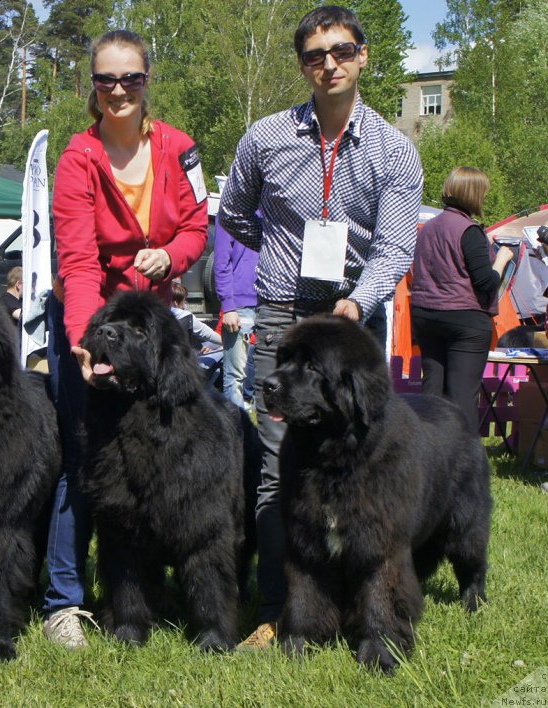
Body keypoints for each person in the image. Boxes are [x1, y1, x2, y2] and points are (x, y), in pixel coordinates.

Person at [217, 4, 424, 649]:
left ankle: (366, 594)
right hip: (283, 315)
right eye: (314, 55)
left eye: (340, 51)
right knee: (282, 467)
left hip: (352, 323)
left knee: (364, 463)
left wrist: (356, 300)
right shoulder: (266, 136)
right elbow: (234, 214)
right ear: (302, 64)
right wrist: (283, 255)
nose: (328, 64)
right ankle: (281, 609)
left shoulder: (394, 148)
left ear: (362, 56)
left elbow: (394, 246)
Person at [45, 28, 208, 648]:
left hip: (156, 333)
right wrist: (88, 342)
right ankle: (65, 601)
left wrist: (173, 255)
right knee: (81, 463)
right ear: (92, 85)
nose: (118, 90)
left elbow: (197, 225)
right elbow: (79, 261)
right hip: (91, 323)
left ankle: (144, 589)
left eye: (130, 78)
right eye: (106, 79)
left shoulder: (180, 148)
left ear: (147, 81)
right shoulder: (76, 159)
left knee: (162, 454)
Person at [410, 167, 513, 429]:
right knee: (461, 395)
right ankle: (463, 461)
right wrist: (500, 259)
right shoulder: (469, 230)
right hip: (464, 319)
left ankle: (426, 456)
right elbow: (487, 282)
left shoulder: (427, 228)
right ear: (473, 195)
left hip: (425, 314)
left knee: (431, 390)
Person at [213, 216, 259, 410]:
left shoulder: (273, 205)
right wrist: (229, 306)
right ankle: (238, 434)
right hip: (241, 305)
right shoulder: (230, 213)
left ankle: (263, 436)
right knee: (234, 379)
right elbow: (221, 261)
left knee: (269, 374)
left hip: (273, 304)